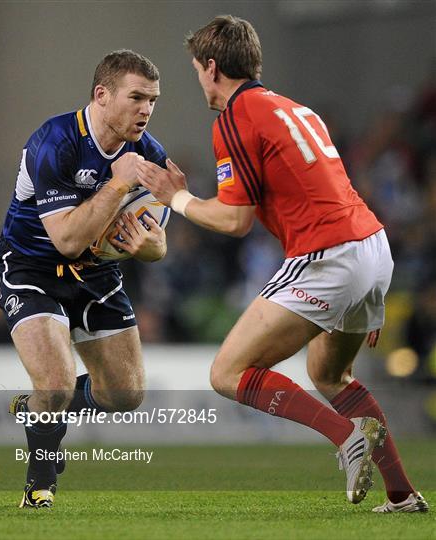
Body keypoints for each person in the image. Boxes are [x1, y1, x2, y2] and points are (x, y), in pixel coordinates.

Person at [135, 16, 428, 512]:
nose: (200, 82)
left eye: (196, 71)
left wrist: (178, 197)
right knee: (330, 374)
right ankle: (402, 494)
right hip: (372, 249)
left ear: (211, 67)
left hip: (328, 254)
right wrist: (365, 291)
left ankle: (344, 437)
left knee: (227, 372)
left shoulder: (234, 118)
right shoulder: (296, 109)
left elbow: (235, 221)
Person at [0, 49, 168, 508]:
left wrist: (151, 248)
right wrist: (117, 184)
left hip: (96, 274)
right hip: (32, 267)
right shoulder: (54, 140)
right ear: (102, 95)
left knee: (127, 394)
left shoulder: (150, 154)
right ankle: (39, 486)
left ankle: (40, 410)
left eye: (152, 99)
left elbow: (158, 242)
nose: (146, 109)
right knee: (54, 381)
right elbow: (67, 239)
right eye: (136, 97)